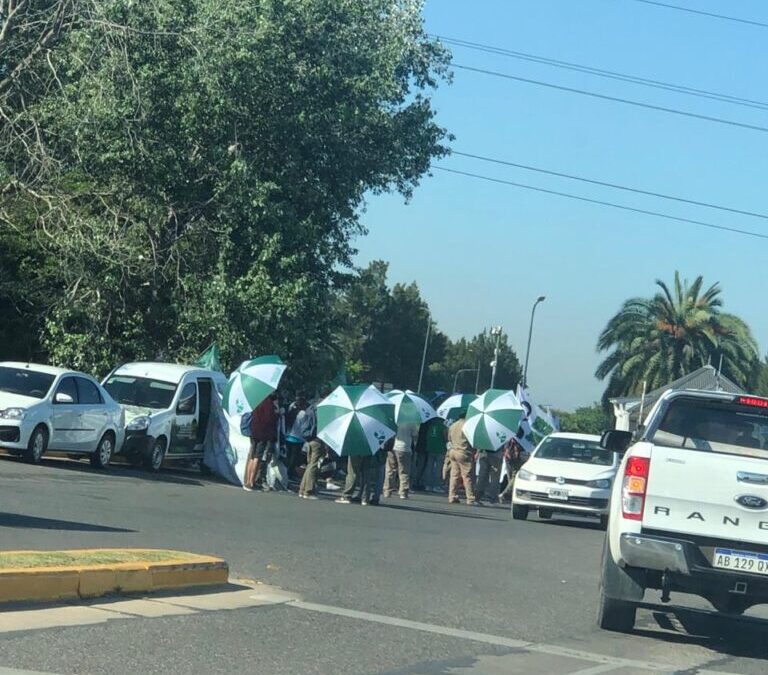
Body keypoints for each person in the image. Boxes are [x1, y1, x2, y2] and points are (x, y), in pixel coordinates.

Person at [244, 394, 278, 491]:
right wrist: (276, 415)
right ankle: (251, 482)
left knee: (252, 456)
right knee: (257, 457)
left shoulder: (255, 400)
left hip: (254, 431)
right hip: (262, 433)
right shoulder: (268, 403)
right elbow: (269, 419)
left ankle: (247, 480)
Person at [447, 412, 479, 505]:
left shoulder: (453, 425)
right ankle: (470, 498)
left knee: (454, 475)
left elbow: (449, 438)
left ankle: (452, 496)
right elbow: (472, 440)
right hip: (464, 452)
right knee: (467, 476)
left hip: (453, 451)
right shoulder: (467, 426)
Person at [383, 422, 418, 499]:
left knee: (390, 470)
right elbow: (415, 435)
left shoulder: (394, 420)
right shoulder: (411, 422)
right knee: (404, 471)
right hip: (404, 448)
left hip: (392, 446)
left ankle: (387, 491)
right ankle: (403, 492)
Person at [420, 417, 447, 493]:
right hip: (440, 449)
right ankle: (437, 485)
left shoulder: (431, 427)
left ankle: (428, 485)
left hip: (430, 448)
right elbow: (446, 438)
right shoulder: (443, 427)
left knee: (429, 467)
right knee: (438, 468)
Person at [499, 437, 527, 503]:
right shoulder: (509, 437)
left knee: (513, 478)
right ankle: (507, 495)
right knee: (511, 478)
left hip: (515, 458)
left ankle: (506, 495)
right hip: (511, 458)